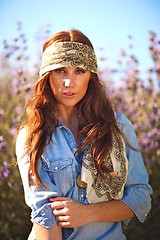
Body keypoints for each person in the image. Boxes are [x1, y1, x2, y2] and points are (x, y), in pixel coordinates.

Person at [16, 29, 152, 240]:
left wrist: (87, 214)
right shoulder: (32, 135)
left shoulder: (119, 127)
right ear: (47, 75)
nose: (69, 83)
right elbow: (44, 214)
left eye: (79, 71)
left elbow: (140, 196)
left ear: (91, 75)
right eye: (61, 70)